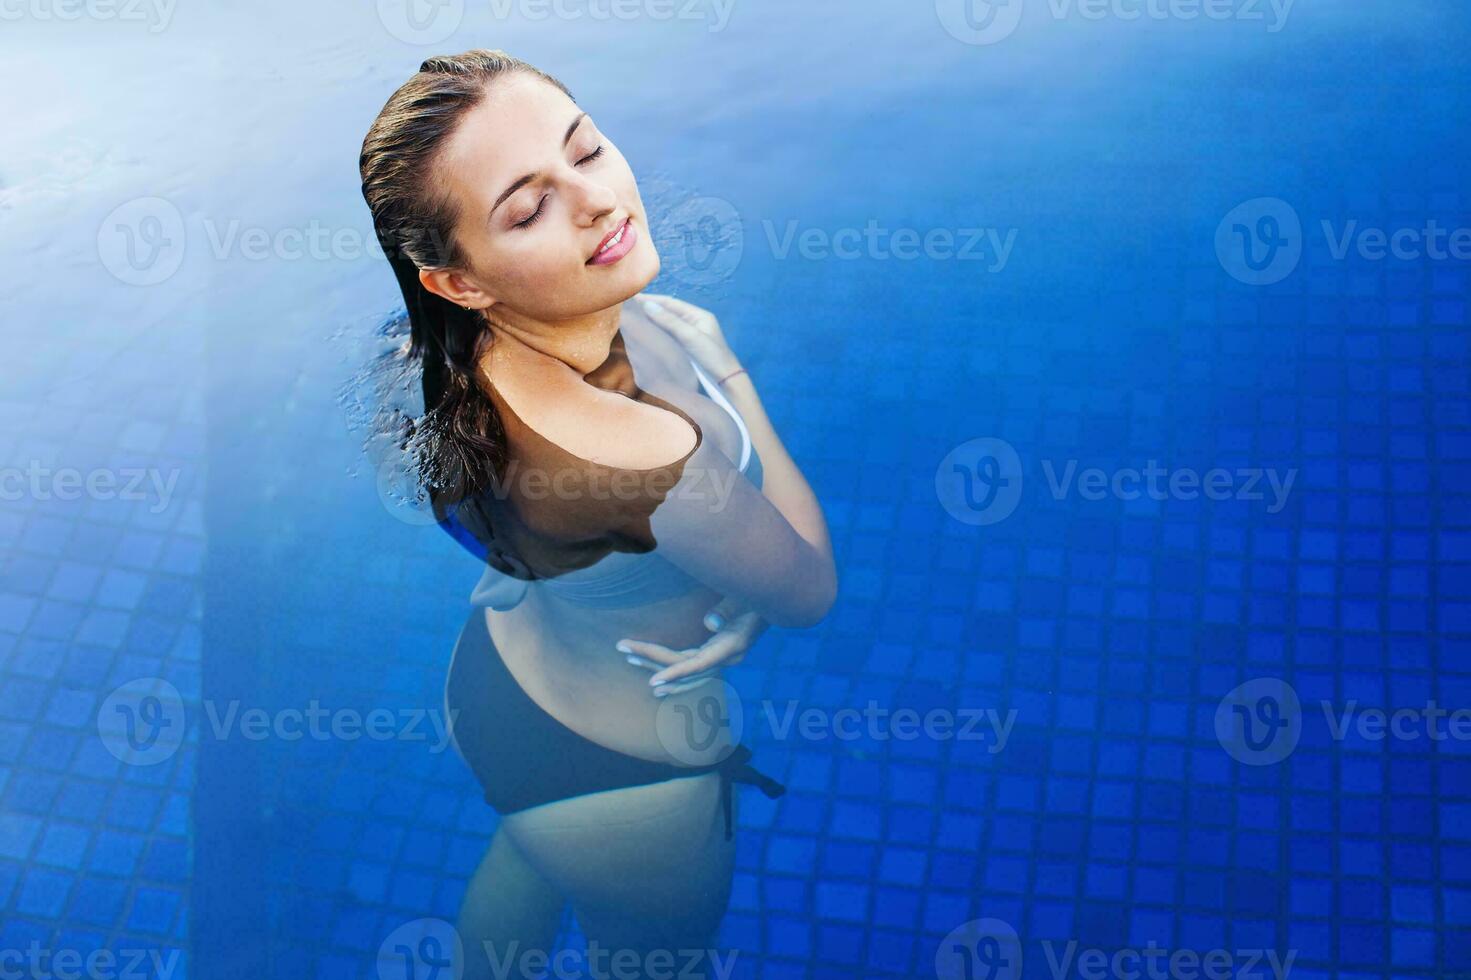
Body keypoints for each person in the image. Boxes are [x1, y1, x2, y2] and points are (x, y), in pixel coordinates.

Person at [359, 49, 837, 978]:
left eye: (584, 149)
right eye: (528, 209)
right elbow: (808, 592)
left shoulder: (444, 356)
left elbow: (510, 507)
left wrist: (614, 575)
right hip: (625, 783)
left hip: (498, 685)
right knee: (653, 960)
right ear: (458, 281)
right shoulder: (651, 452)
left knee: (530, 852)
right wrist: (733, 377)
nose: (596, 201)